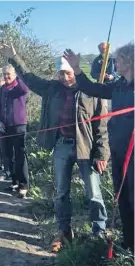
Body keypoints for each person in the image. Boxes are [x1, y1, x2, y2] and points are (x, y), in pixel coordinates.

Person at [0, 43, 111, 250]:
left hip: (87, 148)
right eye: (61, 74)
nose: (65, 78)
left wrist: (101, 153)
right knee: (61, 192)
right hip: (61, 145)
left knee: (93, 193)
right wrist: (14, 57)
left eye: (68, 73)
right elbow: (30, 78)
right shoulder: (52, 89)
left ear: (75, 71)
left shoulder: (91, 90)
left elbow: (101, 126)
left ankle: (99, 231)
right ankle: (64, 231)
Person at [63, 43, 134, 252]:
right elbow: (94, 88)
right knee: (123, 197)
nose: (115, 63)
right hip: (119, 151)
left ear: (129, 61)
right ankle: (129, 244)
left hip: (133, 152)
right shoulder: (120, 85)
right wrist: (77, 69)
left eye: (118, 60)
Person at [0, 64, 30, 198]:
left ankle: (24, 185)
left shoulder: (19, 87)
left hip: (18, 125)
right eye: (4, 74)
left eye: (8, 74)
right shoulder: (2, 89)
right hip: (4, 126)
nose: (6, 77)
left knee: (20, 155)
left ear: (15, 75)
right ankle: (14, 182)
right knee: (8, 155)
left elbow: (26, 88)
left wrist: (19, 72)